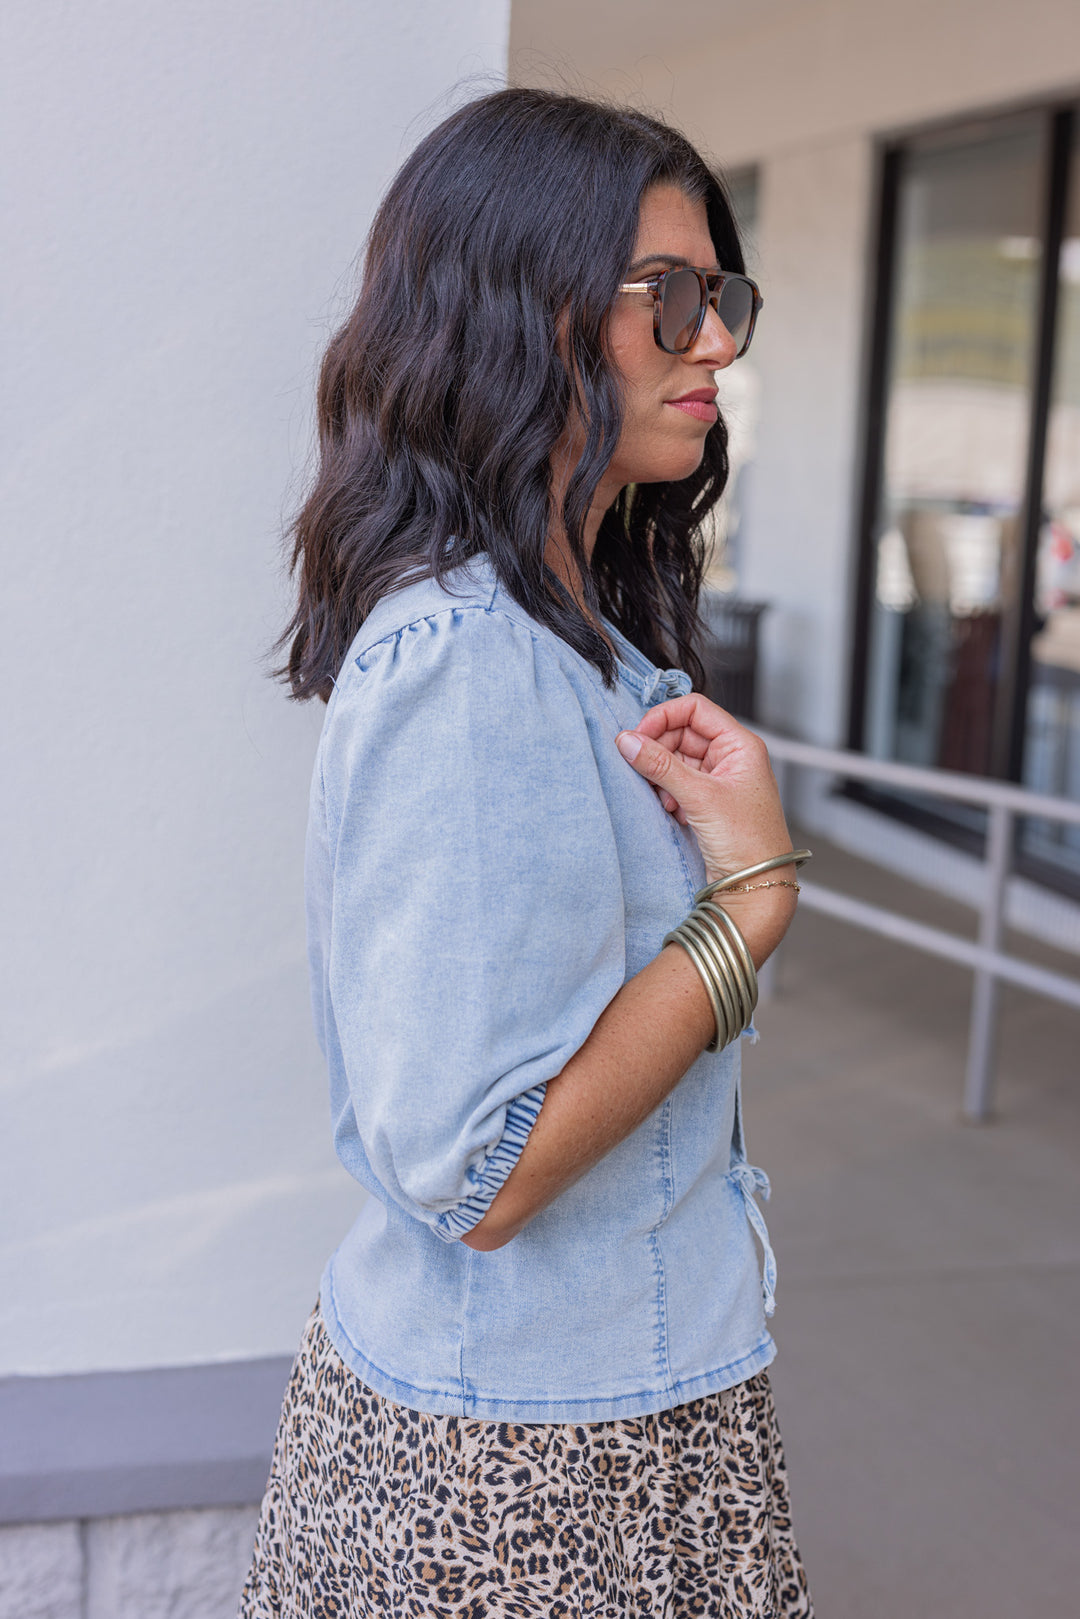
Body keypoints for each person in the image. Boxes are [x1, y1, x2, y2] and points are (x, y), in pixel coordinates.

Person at [240, 87, 815, 1619]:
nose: (717, 343)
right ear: (522, 309)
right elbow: (484, 1166)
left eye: (724, 297)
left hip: (595, 1410)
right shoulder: (473, 656)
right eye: (673, 301)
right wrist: (745, 907)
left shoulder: (566, 636)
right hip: (528, 1477)